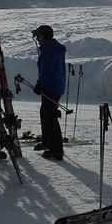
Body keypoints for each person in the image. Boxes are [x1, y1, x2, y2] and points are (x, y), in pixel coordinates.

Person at [32, 25, 66, 159]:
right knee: (45, 113)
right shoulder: (51, 48)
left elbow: (48, 72)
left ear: (44, 36)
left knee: (50, 117)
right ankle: (47, 142)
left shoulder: (49, 51)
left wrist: (41, 85)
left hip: (51, 88)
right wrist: (40, 83)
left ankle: (56, 150)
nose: (37, 39)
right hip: (53, 87)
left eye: (39, 36)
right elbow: (46, 71)